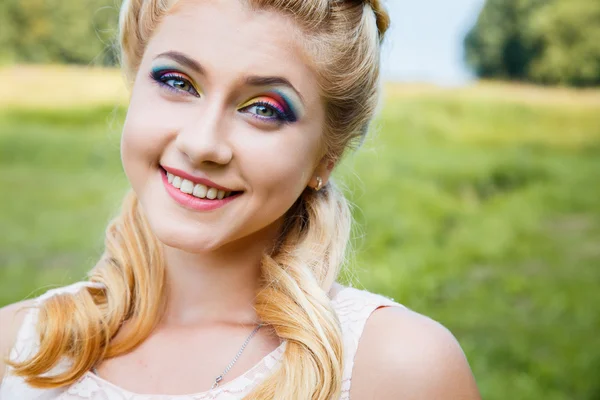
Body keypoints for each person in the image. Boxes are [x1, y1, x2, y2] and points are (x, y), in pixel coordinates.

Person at [0, 0, 481, 398]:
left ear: (325, 158)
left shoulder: (398, 368)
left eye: (264, 109)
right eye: (177, 82)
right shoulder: (17, 347)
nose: (202, 143)